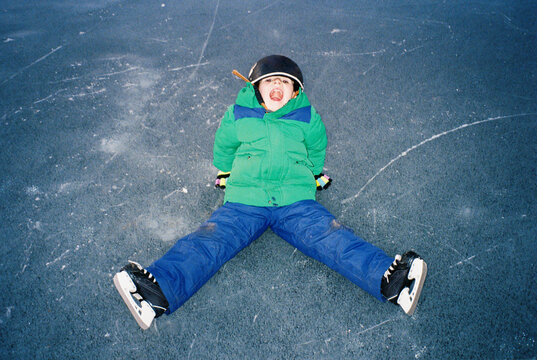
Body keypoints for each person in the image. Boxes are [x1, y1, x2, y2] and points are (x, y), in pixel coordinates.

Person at [113, 55, 427, 330]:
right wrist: (224, 170)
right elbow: (224, 144)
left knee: (331, 236)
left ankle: (393, 284)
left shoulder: (306, 117)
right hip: (245, 200)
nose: (276, 87)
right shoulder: (239, 113)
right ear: (256, 88)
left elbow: (317, 145)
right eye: (270, 81)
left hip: (295, 200)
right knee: (210, 240)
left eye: (284, 83)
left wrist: (315, 173)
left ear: (295, 91)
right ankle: (158, 294)